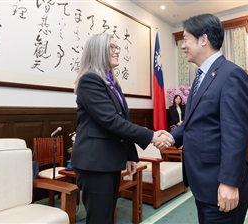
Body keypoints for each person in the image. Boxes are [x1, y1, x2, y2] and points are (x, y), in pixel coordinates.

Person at [158, 14, 248, 224]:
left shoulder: (231, 75)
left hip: (221, 184)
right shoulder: (201, 76)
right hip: (203, 182)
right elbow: (196, 121)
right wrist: (171, 136)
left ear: (203, 39)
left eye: (185, 39)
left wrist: (229, 183)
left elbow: (236, 134)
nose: (182, 46)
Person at [71, 33, 173, 224]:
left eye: (117, 47)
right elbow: (111, 121)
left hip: (108, 160)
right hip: (94, 163)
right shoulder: (89, 80)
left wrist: (129, 155)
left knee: (108, 216)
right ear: (98, 51)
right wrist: (152, 135)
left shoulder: (111, 82)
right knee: (100, 219)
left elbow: (120, 120)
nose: (117, 50)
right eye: (112, 47)